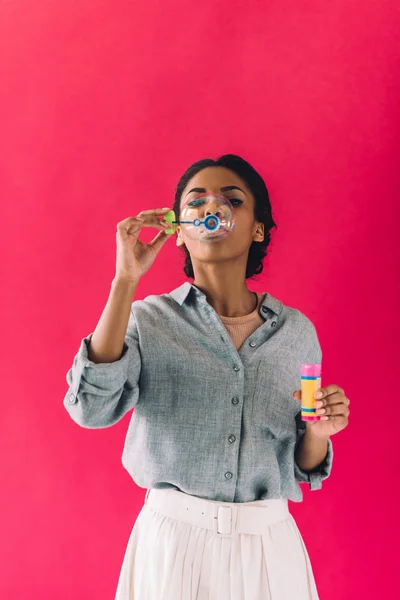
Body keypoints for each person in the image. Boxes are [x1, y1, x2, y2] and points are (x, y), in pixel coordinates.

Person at [64, 154, 350, 599]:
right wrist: (126, 279)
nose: (212, 209)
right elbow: (91, 409)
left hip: (269, 551)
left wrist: (319, 434)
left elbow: (302, 468)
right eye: (196, 203)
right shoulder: (148, 319)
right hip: (173, 544)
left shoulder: (297, 333)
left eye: (231, 199)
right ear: (179, 230)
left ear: (257, 228)